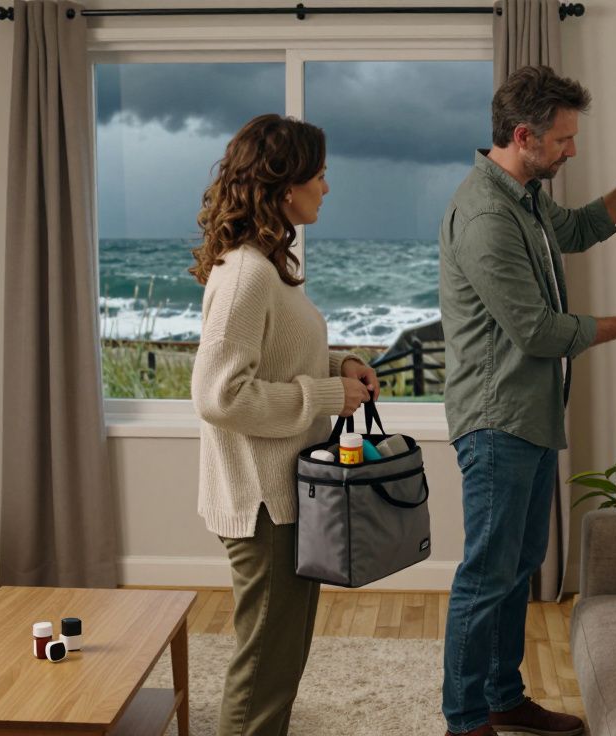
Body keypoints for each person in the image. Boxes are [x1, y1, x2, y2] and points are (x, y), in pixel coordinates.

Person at [438, 65, 616, 736]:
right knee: (487, 576)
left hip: (527, 416)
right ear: (525, 136)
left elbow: (576, 230)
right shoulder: (488, 214)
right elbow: (537, 331)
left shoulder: (522, 195)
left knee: (517, 568)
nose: (572, 150)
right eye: (564, 140)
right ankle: (465, 721)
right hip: (497, 419)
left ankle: (501, 696)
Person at [188, 113, 378, 736]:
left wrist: (339, 364)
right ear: (284, 184)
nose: (327, 187)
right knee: (265, 663)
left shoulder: (264, 267)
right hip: (264, 503)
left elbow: (275, 357)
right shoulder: (245, 273)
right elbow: (221, 395)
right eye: (319, 176)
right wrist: (327, 393)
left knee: (281, 656)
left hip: (286, 494)